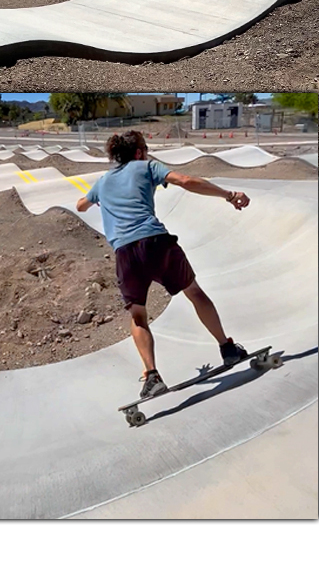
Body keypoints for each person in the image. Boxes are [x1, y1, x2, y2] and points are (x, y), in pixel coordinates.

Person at [76, 130, 252, 399]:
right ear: (138, 152)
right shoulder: (146, 166)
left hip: (125, 252)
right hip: (156, 243)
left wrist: (99, 200)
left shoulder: (102, 182)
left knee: (137, 315)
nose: (147, 153)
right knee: (194, 292)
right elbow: (185, 180)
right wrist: (228, 195)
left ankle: (152, 376)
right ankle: (227, 348)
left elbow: (80, 205)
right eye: (145, 148)